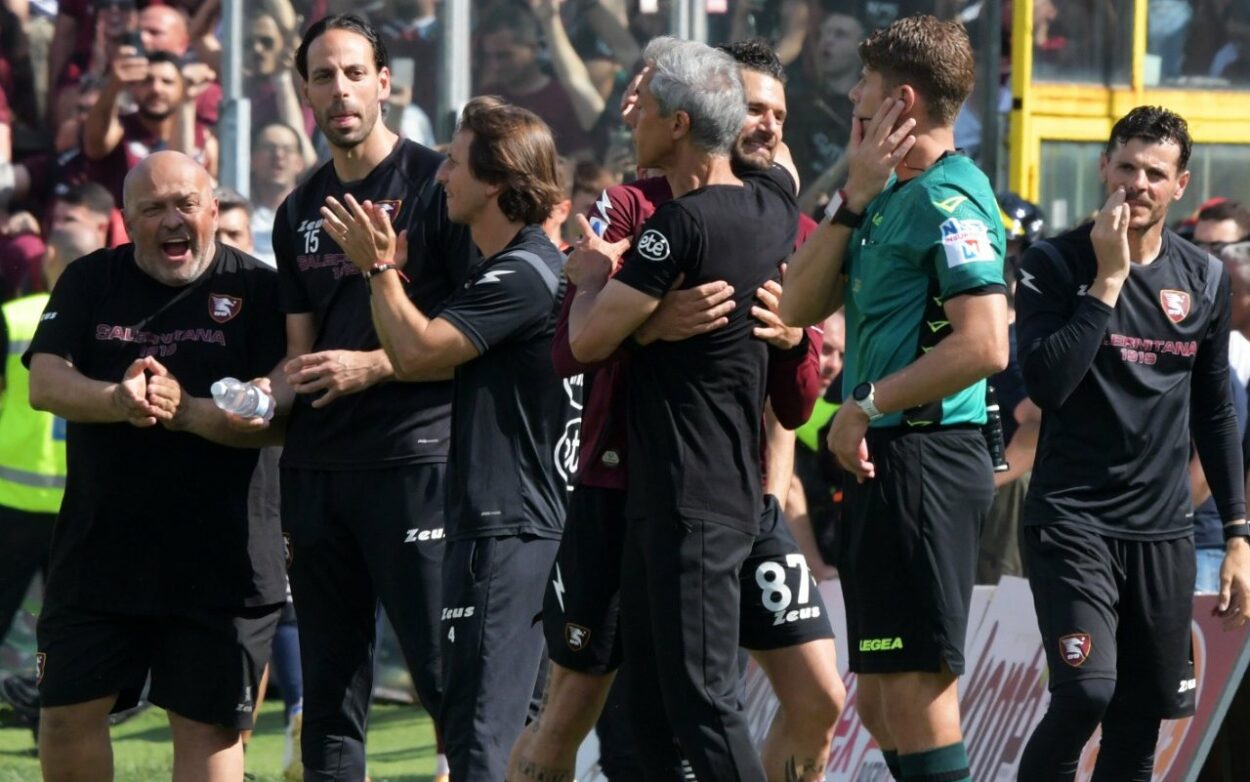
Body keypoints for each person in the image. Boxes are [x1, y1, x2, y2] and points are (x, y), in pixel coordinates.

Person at [511, 38, 845, 782]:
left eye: (777, 117)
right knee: (589, 710)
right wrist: (652, 321)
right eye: (753, 109)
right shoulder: (637, 204)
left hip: (733, 498)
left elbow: (793, 405)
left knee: (809, 696)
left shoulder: (778, 220)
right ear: (712, 114)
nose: (764, 126)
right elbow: (572, 352)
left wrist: (793, 338)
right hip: (623, 491)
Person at [780, 15, 1008, 782]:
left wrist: (864, 402)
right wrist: (851, 195)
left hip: (928, 461)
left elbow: (985, 345)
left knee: (915, 695)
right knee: (880, 703)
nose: (851, 93)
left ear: (900, 100)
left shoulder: (952, 198)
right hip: (886, 464)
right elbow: (797, 306)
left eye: (865, 85)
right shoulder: (884, 194)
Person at [325, 95, 574, 782]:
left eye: (457, 165)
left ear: (496, 182)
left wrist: (378, 268)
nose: (440, 178)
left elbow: (416, 353)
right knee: (506, 734)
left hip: (508, 526)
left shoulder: (523, 272)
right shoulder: (515, 265)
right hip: (506, 523)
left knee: (480, 741)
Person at [24, 150, 286, 782]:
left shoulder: (259, 289)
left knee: (207, 726)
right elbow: (46, 381)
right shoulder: (90, 280)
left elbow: (283, 414)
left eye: (186, 205)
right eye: (153, 208)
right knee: (63, 713)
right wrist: (116, 399)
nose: (173, 220)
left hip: (223, 554)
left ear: (213, 212)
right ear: (126, 220)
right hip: (101, 547)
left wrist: (191, 412)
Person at [1015, 105, 1250, 781]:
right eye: (1126, 167)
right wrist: (1108, 281)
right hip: (1072, 522)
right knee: (1086, 692)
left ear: (1180, 184)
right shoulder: (1055, 262)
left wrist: (1237, 534)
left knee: (1139, 723)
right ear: (1102, 169)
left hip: (1163, 536)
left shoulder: (1204, 279)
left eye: (1154, 172)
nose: (1137, 184)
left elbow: (1215, 414)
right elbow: (1048, 384)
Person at [263, 14, 469, 782]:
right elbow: (297, 357)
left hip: (417, 458)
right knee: (329, 699)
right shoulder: (296, 212)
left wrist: (371, 366)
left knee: (445, 678)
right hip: (316, 474)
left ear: (387, 84)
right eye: (324, 76)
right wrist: (250, 395)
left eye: (355, 73)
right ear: (305, 92)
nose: (340, 89)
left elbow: (474, 335)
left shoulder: (442, 186)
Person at [0, 221, 102, 739]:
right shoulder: (110, 317)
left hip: (13, 499)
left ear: (48, 260)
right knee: (67, 628)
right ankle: (55, 722)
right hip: (77, 500)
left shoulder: (13, 317)